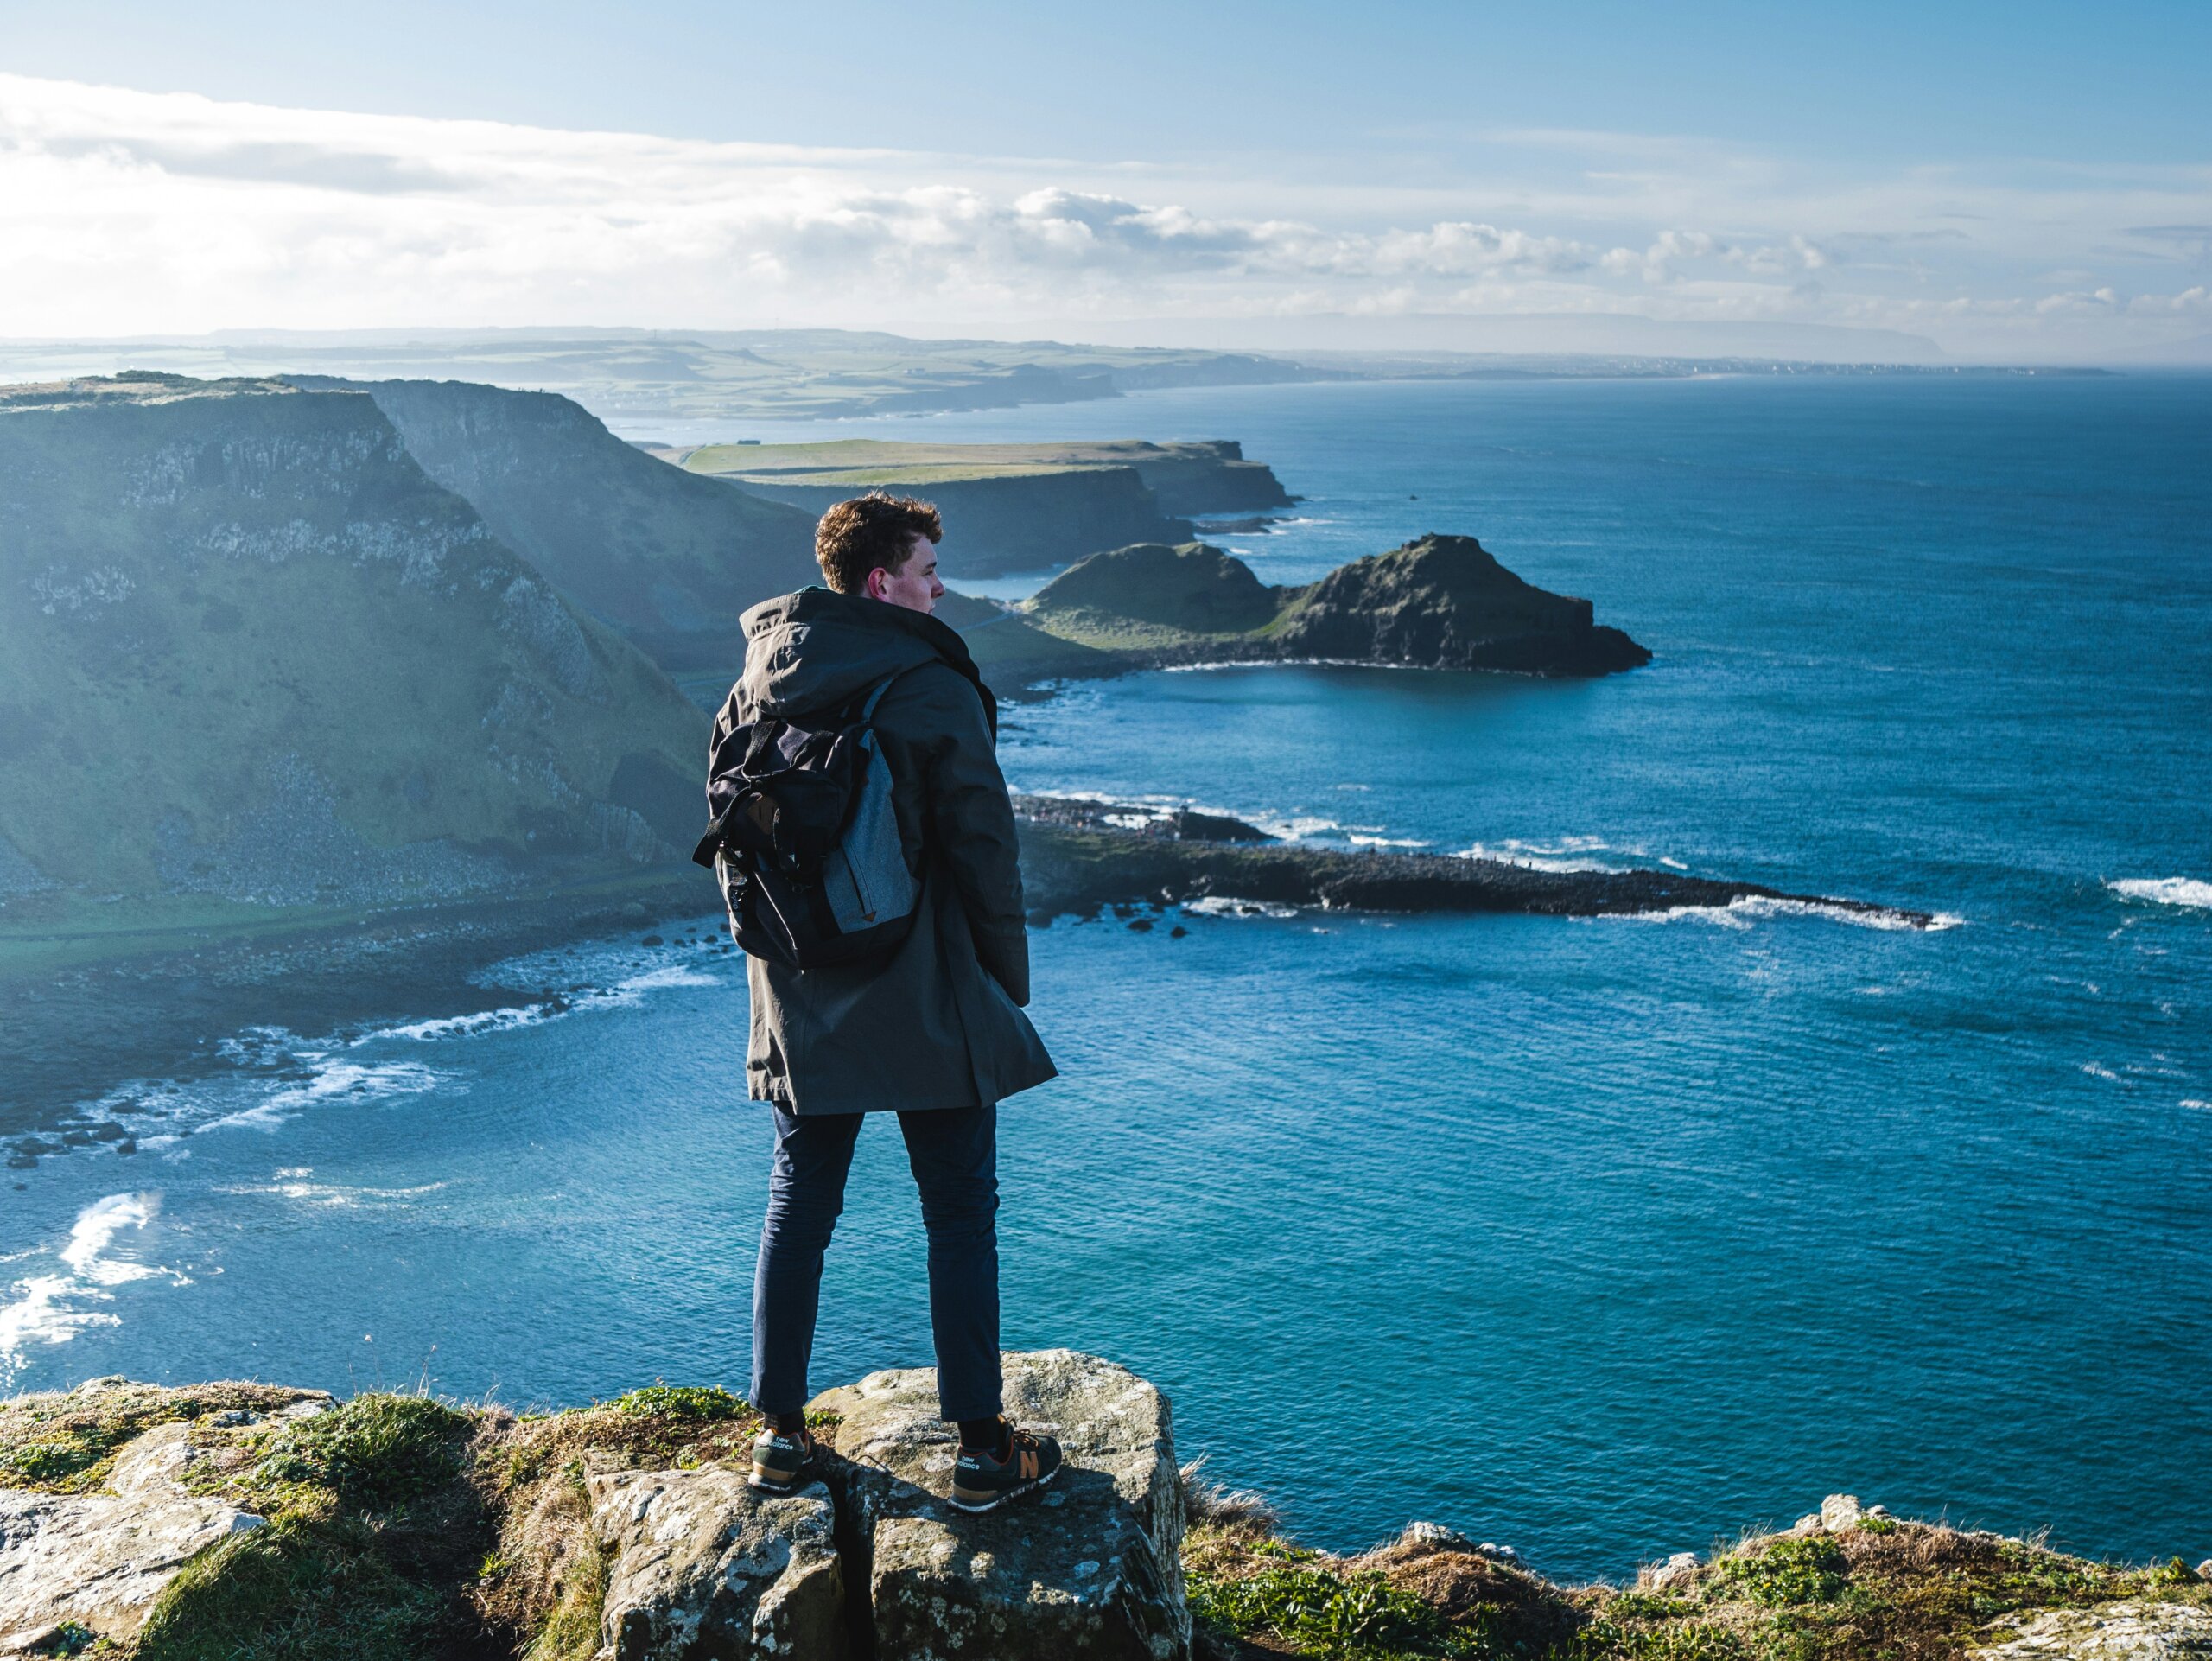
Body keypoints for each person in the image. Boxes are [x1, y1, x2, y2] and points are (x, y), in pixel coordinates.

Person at [713, 491, 1062, 1513]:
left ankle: (778, 1437)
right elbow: (982, 846)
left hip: (797, 984)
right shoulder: (925, 681)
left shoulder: (754, 680)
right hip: (925, 984)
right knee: (957, 1209)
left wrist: (780, 961)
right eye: (925, 570)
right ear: (881, 583)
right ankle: (983, 1449)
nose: (939, 587)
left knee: (798, 1205)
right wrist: (1006, 980)